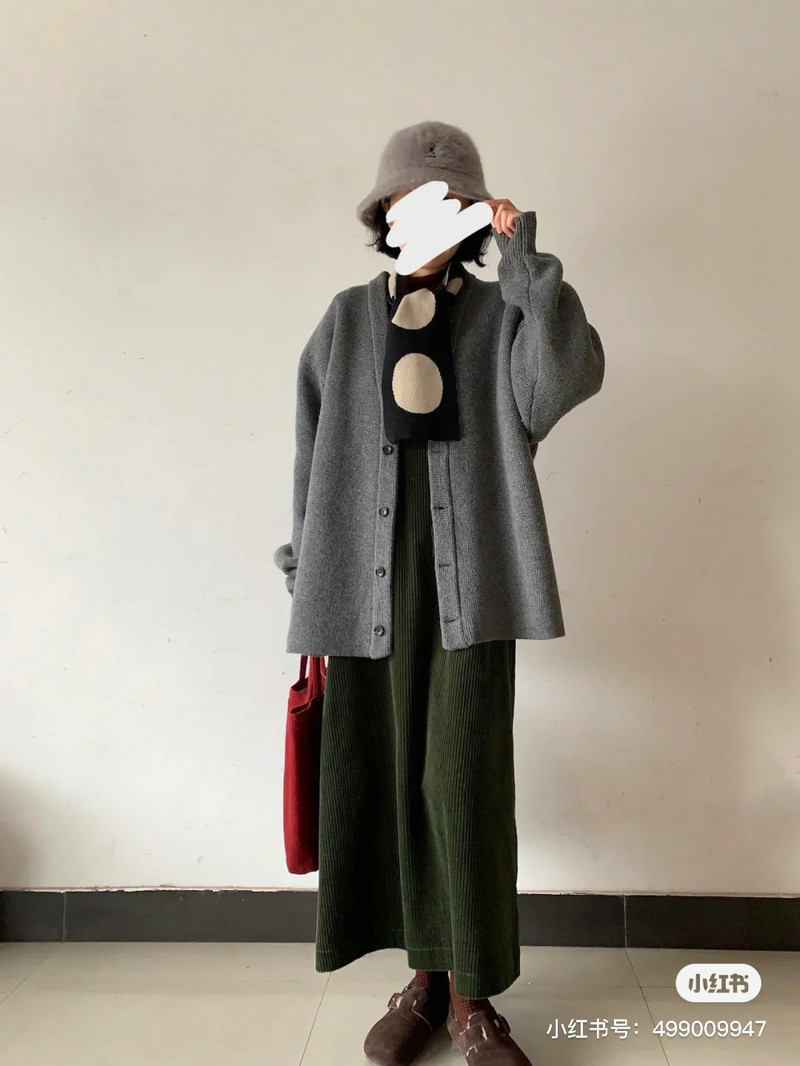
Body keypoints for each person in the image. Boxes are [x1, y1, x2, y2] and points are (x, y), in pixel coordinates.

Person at [274, 120, 605, 1066]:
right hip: (360, 590)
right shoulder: (345, 321)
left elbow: (566, 379)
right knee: (380, 781)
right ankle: (420, 983)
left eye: (453, 202)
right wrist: (305, 578)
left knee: (459, 784)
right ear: (383, 214)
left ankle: (471, 998)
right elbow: (310, 454)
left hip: (474, 587)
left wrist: (524, 258)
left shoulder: (503, 318)